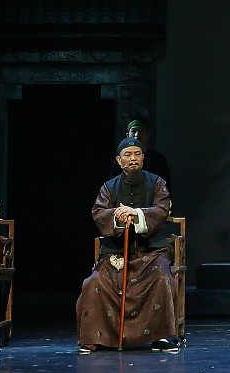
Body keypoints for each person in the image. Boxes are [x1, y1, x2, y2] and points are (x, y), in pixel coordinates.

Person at [77, 137, 181, 353]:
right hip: (116, 254)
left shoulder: (157, 183)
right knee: (93, 283)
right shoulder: (108, 188)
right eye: (127, 155)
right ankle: (95, 337)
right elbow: (99, 213)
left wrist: (137, 214)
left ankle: (161, 337)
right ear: (119, 160)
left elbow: (162, 209)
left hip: (151, 253)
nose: (133, 158)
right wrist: (117, 215)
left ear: (143, 158)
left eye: (137, 154)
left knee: (162, 279)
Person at [125, 119, 173, 184]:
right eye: (133, 131)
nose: (137, 134)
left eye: (141, 131)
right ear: (127, 135)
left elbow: (165, 187)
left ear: (148, 134)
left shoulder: (158, 160)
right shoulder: (120, 161)